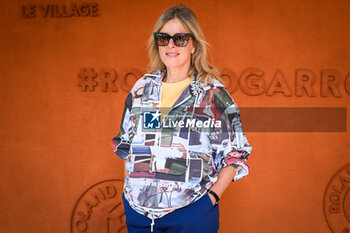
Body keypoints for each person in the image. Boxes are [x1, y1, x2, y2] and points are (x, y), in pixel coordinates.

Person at [111, 4, 252, 233]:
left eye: (180, 38)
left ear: (194, 45)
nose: (171, 45)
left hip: (191, 215)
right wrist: (129, 194)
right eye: (163, 38)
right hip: (138, 216)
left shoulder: (212, 95)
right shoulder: (141, 89)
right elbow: (126, 145)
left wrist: (211, 199)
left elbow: (235, 154)